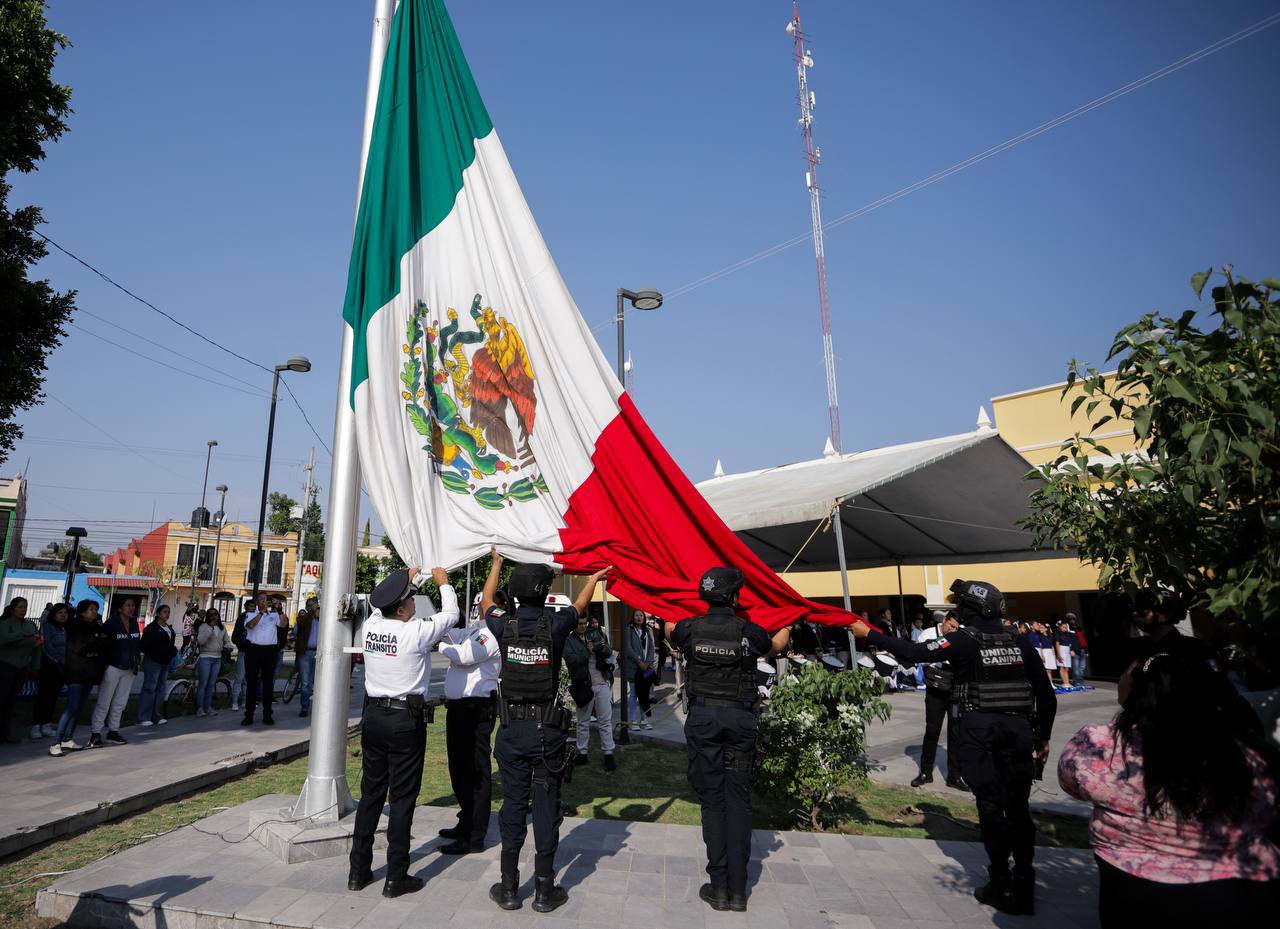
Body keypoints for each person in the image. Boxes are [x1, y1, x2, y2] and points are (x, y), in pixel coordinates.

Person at [851, 579, 1056, 916]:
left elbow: (915, 654)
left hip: (980, 734)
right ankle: (1025, 886)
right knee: (1019, 810)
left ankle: (1000, 882)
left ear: (973, 609)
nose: (957, 610)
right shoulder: (1021, 643)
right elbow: (1045, 695)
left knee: (990, 808)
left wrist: (869, 634)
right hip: (1018, 733)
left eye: (961, 605)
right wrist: (1042, 737)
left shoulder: (963, 641)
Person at [1059, 649, 1280, 925]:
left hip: (1132, 892)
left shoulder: (1100, 745)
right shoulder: (1245, 753)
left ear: (1138, 688)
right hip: (1237, 892)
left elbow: (1070, 780)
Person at [485, 553, 610, 913]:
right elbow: (580, 605)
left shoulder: (503, 625)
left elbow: (486, 604)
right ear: (543, 593)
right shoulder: (556, 625)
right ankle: (544, 890)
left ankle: (509, 888)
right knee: (545, 804)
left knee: (512, 805)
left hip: (511, 732)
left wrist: (495, 564)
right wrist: (592, 579)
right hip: (546, 732)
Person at [665, 567, 792, 913]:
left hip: (704, 721)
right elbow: (776, 646)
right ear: (735, 598)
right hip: (740, 721)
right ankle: (738, 890)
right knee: (738, 801)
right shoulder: (750, 632)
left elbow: (670, 630)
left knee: (712, 802)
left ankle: (718, 885)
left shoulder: (689, 629)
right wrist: (789, 619)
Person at [348, 566, 458, 898]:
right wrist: (444, 584)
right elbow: (451, 615)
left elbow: (381, 600)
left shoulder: (370, 626)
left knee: (370, 795)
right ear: (401, 609)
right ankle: (396, 876)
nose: (414, 605)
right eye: (410, 601)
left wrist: (407, 578)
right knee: (402, 799)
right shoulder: (415, 633)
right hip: (404, 723)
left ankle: (358, 871)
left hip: (374, 719)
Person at [437, 567, 502, 856]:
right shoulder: (476, 629)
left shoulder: (492, 633)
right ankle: (466, 822)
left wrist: (437, 645)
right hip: (460, 709)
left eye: (482, 604)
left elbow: (464, 655)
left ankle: (475, 835)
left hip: (477, 710)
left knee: (475, 772)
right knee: (459, 768)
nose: (477, 608)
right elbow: (453, 632)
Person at [912, 612, 967, 790]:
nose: (953, 630)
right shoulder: (928, 634)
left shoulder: (960, 636)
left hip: (955, 688)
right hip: (936, 689)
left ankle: (954, 775)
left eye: (956, 628)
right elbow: (921, 656)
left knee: (955, 732)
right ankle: (925, 772)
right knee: (932, 731)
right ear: (944, 621)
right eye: (951, 626)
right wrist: (943, 662)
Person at [51, 600, 108, 755]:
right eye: (91, 609)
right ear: (82, 611)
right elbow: (79, 647)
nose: (94, 612)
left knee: (80, 707)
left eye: (96, 609)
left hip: (90, 672)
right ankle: (56, 742)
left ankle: (68, 738)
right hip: (75, 671)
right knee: (72, 706)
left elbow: (103, 644)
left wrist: (98, 638)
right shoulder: (75, 625)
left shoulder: (96, 627)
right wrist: (94, 640)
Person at [88, 597, 142, 747]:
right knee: (104, 701)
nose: (131, 608)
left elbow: (137, 644)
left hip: (130, 668)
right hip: (113, 667)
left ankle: (113, 731)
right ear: (120, 608)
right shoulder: (111, 624)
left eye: (133, 605)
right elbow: (102, 645)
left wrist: (137, 659)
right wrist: (104, 664)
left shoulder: (134, 624)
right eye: (128, 605)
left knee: (120, 702)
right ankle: (95, 733)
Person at [570, 611, 616, 769]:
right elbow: (571, 660)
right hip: (583, 685)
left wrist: (601, 648)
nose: (583, 626)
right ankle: (582, 753)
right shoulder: (569, 640)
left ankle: (608, 753)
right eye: (579, 624)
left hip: (602, 682)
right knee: (583, 722)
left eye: (584, 623)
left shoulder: (595, 634)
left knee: (605, 721)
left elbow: (609, 652)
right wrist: (587, 651)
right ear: (574, 625)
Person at [0, 597, 39, 743]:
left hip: (22, 667)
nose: (23, 610)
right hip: (5, 666)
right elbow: (3, 639)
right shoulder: (5, 624)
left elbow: (37, 644)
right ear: (12, 609)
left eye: (25, 607)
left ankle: (5, 732)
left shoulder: (29, 625)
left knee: (11, 702)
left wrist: (36, 665)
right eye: (20, 607)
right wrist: (23, 636)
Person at [240, 593, 280, 726]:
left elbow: (284, 624)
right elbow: (250, 626)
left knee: (268, 684)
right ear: (257, 602)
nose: (264, 602)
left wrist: (279, 610)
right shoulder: (250, 614)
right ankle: (249, 715)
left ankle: (267, 714)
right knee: (251, 683)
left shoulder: (274, 615)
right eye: (261, 600)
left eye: (266, 600)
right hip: (254, 651)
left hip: (270, 652)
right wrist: (261, 614)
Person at [32, 602, 71, 739]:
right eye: (60, 613)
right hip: (49, 667)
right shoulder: (48, 627)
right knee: (43, 697)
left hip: (62, 667)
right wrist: (56, 660)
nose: (63, 615)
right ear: (54, 614)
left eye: (65, 613)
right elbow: (46, 646)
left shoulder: (65, 629)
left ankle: (46, 724)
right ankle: (35, 726)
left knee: (53, 697)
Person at [137, 604, 178, 727]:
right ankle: (143, 717)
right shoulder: (151, 628)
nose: (167, 614)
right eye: (165, 612)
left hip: (165, 662)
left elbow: (171, 645)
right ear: (158, 614)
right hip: (153, 661)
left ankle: (156, 715)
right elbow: (144, 645)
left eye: (168, 612)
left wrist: (172, 653)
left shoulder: (169, 629)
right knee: (150, 688)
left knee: (161, 689)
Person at [624, 609, 656, 730]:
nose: (639, 617)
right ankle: (633, 721)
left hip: (646, 668)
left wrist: (647, 663)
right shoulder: (629, 630)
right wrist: (639, 661)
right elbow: (627, 647)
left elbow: (652, 648)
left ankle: (644, 719)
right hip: (634, 668)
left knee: (644, 694)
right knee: (633, 694)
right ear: (633, 617)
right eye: (636, 615)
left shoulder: (647, 631)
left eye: (641, 615)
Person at [195, 609, 228, 717]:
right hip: (206, 658)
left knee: (211, 684)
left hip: (217, 659)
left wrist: (229, 647)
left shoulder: (222, 628)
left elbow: (226, 640)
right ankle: (200, 708)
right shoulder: (204, 627)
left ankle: (208, 707)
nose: (214, 616)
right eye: (211, 615)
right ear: (208, 617)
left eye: (215, 614)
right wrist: (210, 629)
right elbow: (201, 641)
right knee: (203, 684)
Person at [294, 597, 319, 717]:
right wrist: (311, 613)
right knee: (305, 682)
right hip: (305, 653)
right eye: (311, 605)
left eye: (315, 605)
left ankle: (318, 707)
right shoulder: (303, 618)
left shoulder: (321, 618)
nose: (314, 607)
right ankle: (304, 707)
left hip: (319, 652)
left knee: (316, 682)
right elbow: (302, 625)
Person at [230, 597, 253, 711]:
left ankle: (244, 700)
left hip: (253, 653)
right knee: (239, 677)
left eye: (254, 607)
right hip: (244, 652)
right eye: (251, 607)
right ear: (246, 608)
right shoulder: (242, 619)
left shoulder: (257, 618)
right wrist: (242, 644)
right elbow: (235, 637)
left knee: (248, 679)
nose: (253, 609)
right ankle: (234, 701)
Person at [1068, 613, 1088, 685]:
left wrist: (1086, 650)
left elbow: (1083, 640)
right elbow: (1069, 640)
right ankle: (1077, 682)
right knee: (1076, 668)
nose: (1072, 620)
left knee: (1082, 667)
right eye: (1070, 619)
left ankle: (1081, 681)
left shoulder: (1079, 629)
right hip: (1075, 650)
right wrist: (1071, 649)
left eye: (1073, 619)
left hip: (1082, 650)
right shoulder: (1069, 630)